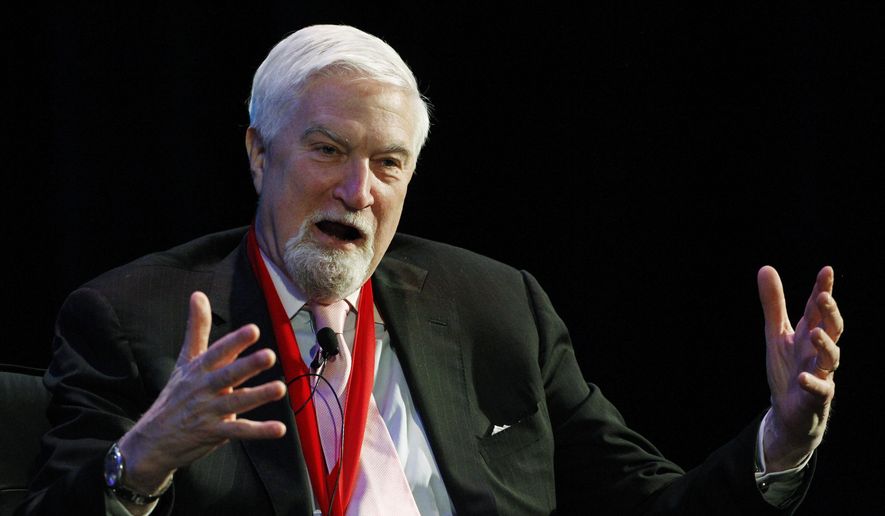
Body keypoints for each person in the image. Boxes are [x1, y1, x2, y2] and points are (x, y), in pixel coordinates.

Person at [20, 24, 842, 515]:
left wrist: (782, 438)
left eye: (388, 164)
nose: (357, 190)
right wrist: (144, 460)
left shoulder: (494, 305)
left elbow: (649, 503)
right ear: (257, 153)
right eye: (328, 151)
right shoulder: (134, 317)